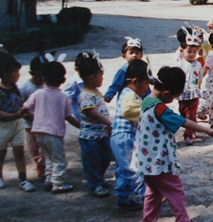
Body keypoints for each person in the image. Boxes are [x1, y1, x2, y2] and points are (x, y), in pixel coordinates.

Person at [131, 66, 213, 222]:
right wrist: (207, 130)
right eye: (175, 97)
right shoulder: (159, 109)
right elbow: (183, 122)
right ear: (166, 93)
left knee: (153, 192)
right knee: (175, 190)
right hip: (158, 161)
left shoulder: (146, 100)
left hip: (145, 161)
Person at [24, 59, 80, 194]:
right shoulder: (63, 97)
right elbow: (69, 117)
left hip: (38, 132)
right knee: (59, 159)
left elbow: (25, 107)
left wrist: (17, 114)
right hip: (54, 133)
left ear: (43, 78)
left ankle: (49, 178)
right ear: (63, 80)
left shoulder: (38, 93)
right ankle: (58, 184)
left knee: (48, 156)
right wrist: (81, 126)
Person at [111, 59, 150, 210]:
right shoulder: (129, 94)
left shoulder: (132, 94)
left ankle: (123, 198)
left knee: (122, 169)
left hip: (123, 137)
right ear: (135, 81)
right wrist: (146, 113)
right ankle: (146, 197)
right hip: (124, 136)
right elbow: (127, 111)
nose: (148, 87)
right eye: (146, 83)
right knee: (133, 168)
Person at [77, 52, 113, 198]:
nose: (102, 78)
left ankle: (99, 178)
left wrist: (107, 127)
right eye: (101, 76)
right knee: (92, 160)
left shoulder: (96, 92)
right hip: (89, 137)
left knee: (105, 157)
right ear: (92, 78)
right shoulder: (86, 95)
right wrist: (109, 122)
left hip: (101, 134)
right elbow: (92, 112)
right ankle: (95, 183)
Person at [0, 53, 33, 191]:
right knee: (1, 153)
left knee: (19, 151)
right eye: (16, 73)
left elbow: (19, 103)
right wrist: (15, 115)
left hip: (17, 124)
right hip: (3, 126)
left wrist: (26, 114)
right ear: (6, 74)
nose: (19, 75)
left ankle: (23, 179)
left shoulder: (15, 87)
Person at [18, 54, 47, 179]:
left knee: (45, 145)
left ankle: (45, 165)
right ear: (31, 73)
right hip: (30, 123)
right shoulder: (25, 87)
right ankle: (39, 165)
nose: (42, 78)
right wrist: (28, 116)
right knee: (34, 146)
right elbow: (20, 104)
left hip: (45, 122)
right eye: (39, 75)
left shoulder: (46, 85)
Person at [174, 27, 204, 145]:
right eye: (189, 51)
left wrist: (199, 87)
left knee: (190, 114)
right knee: (183, 113)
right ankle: (192, 128)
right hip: (182, 93)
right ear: (182, 51)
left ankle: (188, 134)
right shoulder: (179, 64)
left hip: (194, 93)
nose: (192, 54)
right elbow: (175, 77)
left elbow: (200, 78)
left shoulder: (198, 64)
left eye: (194, 51)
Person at [104, 37, 146, 104]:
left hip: (143, 98)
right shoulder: (124, 70)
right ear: (124, 56)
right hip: (127, 100)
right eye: (131, 53)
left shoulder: (144, 68)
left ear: (141, 56)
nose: (134, 55)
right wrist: (108, 96)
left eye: (137, 53)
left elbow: (149, 79)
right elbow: (115, 85)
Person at [62, 53, 85, 122]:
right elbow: (67, 99)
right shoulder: (73, 83)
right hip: (81, 117)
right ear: (76, 69)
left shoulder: (89, 79)